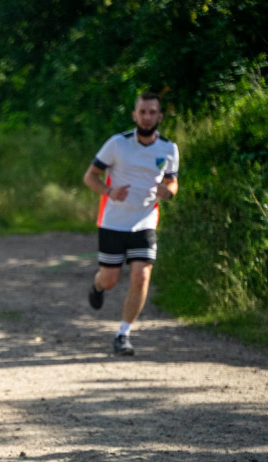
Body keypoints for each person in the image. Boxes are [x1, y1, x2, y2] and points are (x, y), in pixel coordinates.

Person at [83, 92, 180, 356]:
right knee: (111, 279)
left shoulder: (169, 149)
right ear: (134, 115)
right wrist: (108, 191)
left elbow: (172, 181)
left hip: (145, 220)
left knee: (142, 275)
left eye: (152, 112)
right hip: (113, 221)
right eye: (142, 112)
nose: (147, 117)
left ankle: (123, 334)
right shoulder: (117, 144)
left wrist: (168, 191)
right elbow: (90, 177)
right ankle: (98, 285)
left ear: (159, 116)